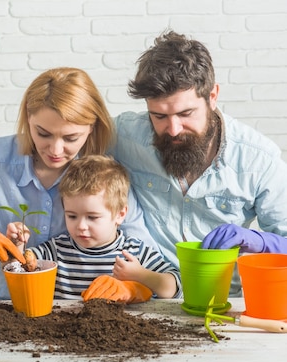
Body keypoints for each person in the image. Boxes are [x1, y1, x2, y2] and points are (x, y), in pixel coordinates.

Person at [0, 67, 159, 301]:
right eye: (43, 133)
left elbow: (145, 256)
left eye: (71, 137)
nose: (56, 149)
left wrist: (134, 287)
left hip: (71, 316)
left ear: (91, 128)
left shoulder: (102, 176)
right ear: (28, 117)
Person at [109, 30, 287, 294]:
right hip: (147, 294)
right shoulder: (125, 135)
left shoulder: (258, 159)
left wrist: (257, 241)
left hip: (224, 302)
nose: (172, 128)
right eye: (158, 116)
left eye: (186, 113)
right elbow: (69, 137)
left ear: (212, 96)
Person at [6, 155, 181, 303]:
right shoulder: (57, 250)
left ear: (120, 214)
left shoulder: (133, 252)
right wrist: (17, 245)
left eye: (92, 217)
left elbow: (175, 286)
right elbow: (20, 270)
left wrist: (140, 275)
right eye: (72, 216)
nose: (81, 226)